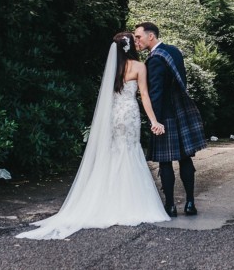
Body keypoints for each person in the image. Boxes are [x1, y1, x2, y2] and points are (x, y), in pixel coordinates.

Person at [16, 32, 170, 240]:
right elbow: (144, 96)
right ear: (129, 47)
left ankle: (107, 200)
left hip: (114, 115)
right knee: (130, 151)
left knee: (115, 152)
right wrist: (153, 121)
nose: (137, 42)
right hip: (130, 114)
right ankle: (129, 203)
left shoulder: (113, 69)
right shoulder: (138, 66)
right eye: (134, 40)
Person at [133, 22, 207, 217]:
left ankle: (171, 206)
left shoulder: (155, 60)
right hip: (181, 113)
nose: (136, 41)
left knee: (166, 162)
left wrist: (153, 121)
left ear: (151, 36)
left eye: (138, 37)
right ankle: (190, 204)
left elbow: (156, 93)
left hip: (164, 116)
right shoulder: (174, 51)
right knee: (185, 159)